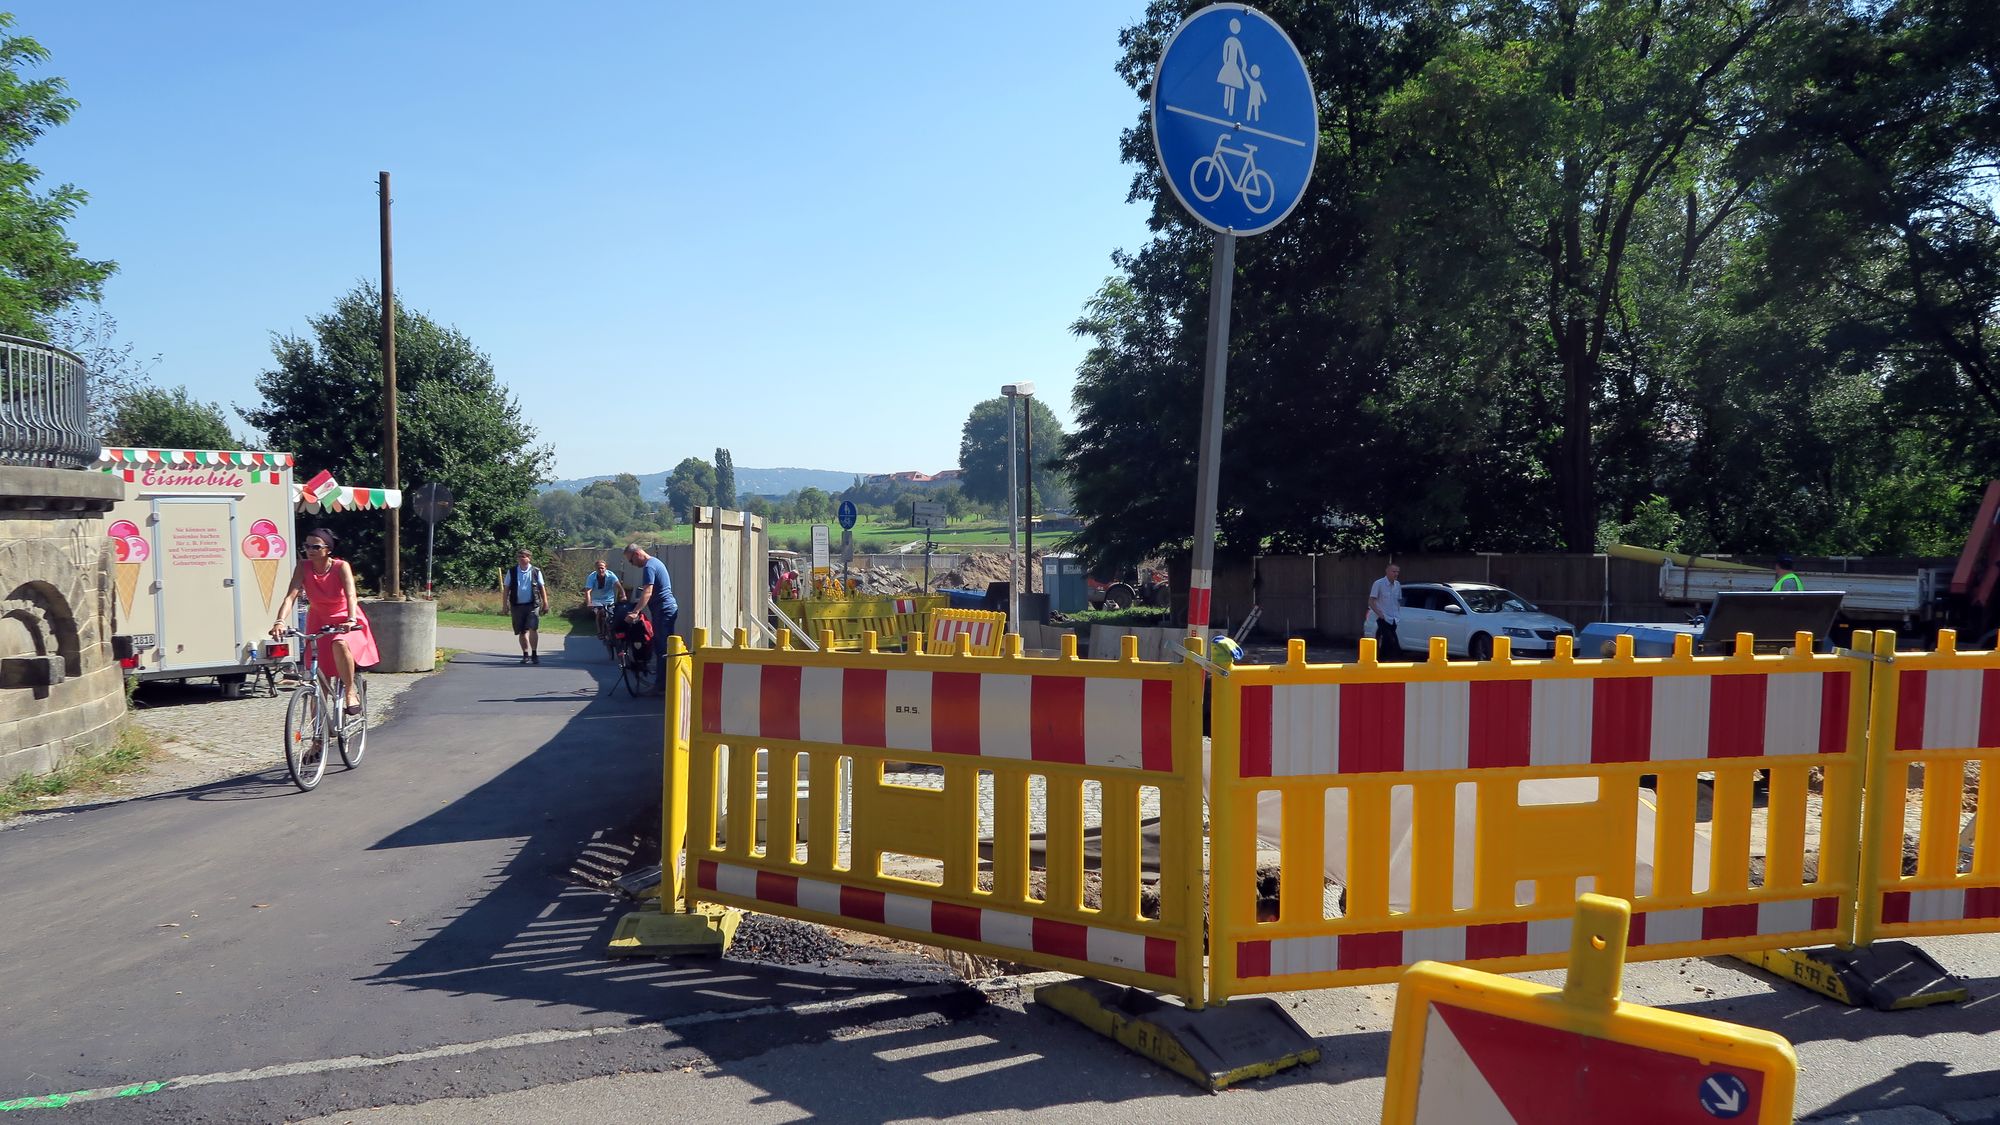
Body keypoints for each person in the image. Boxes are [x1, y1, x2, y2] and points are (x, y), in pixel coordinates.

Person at [269, 528, 379, 717]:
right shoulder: (303, 567)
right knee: (318, 677)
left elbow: (352, 595)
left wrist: (351, 619)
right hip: (318, 619)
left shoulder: (340, 566)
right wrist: (279, 621)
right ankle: (317, 739)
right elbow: (290, 597)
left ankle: (350, 691)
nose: (309, 550)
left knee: (339, 642)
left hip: (346, 618)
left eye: (315, 546)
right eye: (306, 546)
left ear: (328, 549)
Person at [623, 543, 678, 692]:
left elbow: (647, 591)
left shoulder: (649, 567)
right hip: (665, 608)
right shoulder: (655, 562)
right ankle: (668, 682)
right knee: (663, 646)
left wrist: (635, 611)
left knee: (662, 648)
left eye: (631, 561)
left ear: (637, 554)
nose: (632, 564)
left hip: (663, 609)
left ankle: (662, 686)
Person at [500, 548, 551, 664]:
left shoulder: (535, 571)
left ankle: (534, 654)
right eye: (519, 557)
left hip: (533, 604)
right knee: (522, 630)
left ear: (529, 558)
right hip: (517, 605)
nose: (521, 559)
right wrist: (505, 605)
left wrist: (545, 603)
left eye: (523, 557)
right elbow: (506, 589)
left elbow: (542, 588)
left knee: (533, 628)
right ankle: (525, 654)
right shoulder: (512, 571)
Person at [1369, 562, 1403, 658]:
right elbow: (1371, 601)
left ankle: (1381, 661)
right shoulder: (1378, 583)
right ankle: (1387, 660)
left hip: (1394, 619)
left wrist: (1398, 614)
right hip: (1383, 618)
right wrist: (1380, 614)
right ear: (1387, 571)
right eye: (1394, 571)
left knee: (1386, 643)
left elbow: (1398, 601)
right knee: (1390, 640)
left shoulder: (1397, 585)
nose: (1396, 574)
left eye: (1397, 572)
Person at [583, 558, 626, 637]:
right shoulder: (591, 577)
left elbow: (619, 587)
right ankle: (600, 632)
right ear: (595, 569)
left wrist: (623, 595)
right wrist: (589, 603)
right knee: (600, 612)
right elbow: (588, 591)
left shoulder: (611, 575)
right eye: (598, 568)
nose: (600, 570)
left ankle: (612, 630)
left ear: (606, 568)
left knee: (611, 614)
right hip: (596, 600)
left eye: (602, 568)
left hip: (608, 599)